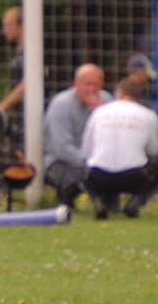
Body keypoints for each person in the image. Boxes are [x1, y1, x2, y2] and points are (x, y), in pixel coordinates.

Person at [80, 75, 158, 219]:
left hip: (98, 176)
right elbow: (154, 150)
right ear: (139, 97)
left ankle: (98, 201)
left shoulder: (98, 112)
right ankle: (136, 201)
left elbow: (86, 151)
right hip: (133, 176)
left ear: (119, 93)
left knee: (84, 170)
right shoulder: (149, 115)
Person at [42, 63, 112, 209]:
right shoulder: (61, 104)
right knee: (75, 174)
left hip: (96, 160)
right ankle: (65, 203)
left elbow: (113, 138)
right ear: (76, 84)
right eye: (87, 84)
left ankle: (109, 203)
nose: (92, 89)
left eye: (96, 85)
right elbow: (61, 147)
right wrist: (91, 164)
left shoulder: (107, 102)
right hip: (60, 161)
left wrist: (101, 115)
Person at [0, 5, 25, 155]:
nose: (4, 29)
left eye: (7, 25)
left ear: (21, 25)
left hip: (29, 117)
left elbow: (28, 84)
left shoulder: (33, 51)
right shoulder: (19, 52)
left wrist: (4, 105)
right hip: (18, 116)